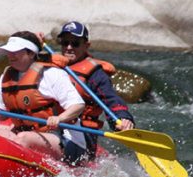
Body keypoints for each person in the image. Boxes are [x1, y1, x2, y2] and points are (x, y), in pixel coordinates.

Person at [0, 31, 89, 164]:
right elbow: (1, 114)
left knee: (24, 138)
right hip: (26, 133)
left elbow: (78, 105)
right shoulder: (6, 76)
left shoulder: (52, 74)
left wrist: (59, 118)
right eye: (9, 52)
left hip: (65, 139)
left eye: (15, 51)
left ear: (31, 53)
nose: (10, 55)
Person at [48, 22, 135, 160]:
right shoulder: (51, 66)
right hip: (51, 125)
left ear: (86, 45)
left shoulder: (95, 74)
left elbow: (111, 100)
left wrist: (123, 117)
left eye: (75, 43)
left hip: (82, 133)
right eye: (65, 43)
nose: (69, 48)